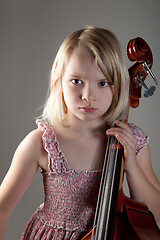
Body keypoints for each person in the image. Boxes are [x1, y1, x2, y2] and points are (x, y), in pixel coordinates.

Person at [0, 26, 160, 240]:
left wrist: (131, 165)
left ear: (119, 86)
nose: (88, 96)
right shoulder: (42, 142)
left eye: (103, 83)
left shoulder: (132, 141)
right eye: (77, 81)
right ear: (59, 82)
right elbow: (2, 208)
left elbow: (154, 213)